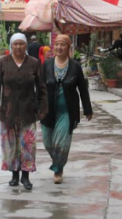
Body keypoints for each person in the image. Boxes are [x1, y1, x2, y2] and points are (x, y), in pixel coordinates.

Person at [0, 33, 48, 190]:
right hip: (7, 111)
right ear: (11, 45)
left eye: (21, 44)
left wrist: (43, 108)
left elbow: (42, 87)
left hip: (28, 110)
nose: (18, 47)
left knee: (27, 144)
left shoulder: (34, 63)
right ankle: (14, 175)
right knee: (11, 145)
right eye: (15, 44)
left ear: (26, 45)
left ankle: (26, 176)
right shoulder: (3, 62)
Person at [41, 34, 93, 184]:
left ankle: (58, 169)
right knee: (47, 142)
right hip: (48, 110)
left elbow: (83, 89)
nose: (59, 47)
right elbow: (40, 87)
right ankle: (58, 160)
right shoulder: (47, 65)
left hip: (67, 111)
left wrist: (87, 109)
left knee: (61, 143)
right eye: (57, 44)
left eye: (62, 44)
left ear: (68, 47)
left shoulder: (75, 66)